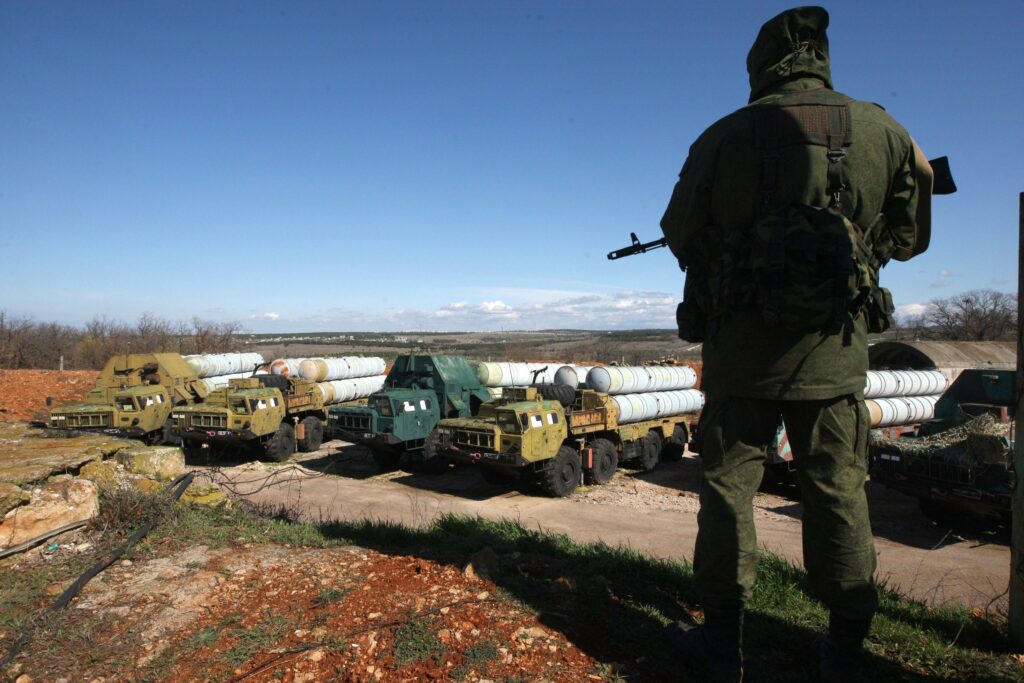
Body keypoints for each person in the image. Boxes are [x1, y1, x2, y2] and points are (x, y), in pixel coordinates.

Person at [658, 6, 932, 682]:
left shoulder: (721, 136)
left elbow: (681, 232)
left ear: (761, 65)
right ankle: (846, 649)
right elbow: (910, 236)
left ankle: (722, 645)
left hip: (740, 353)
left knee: (728, 490)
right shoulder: (885, 130)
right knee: (838, 490)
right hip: (834, 351)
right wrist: (852, 252)